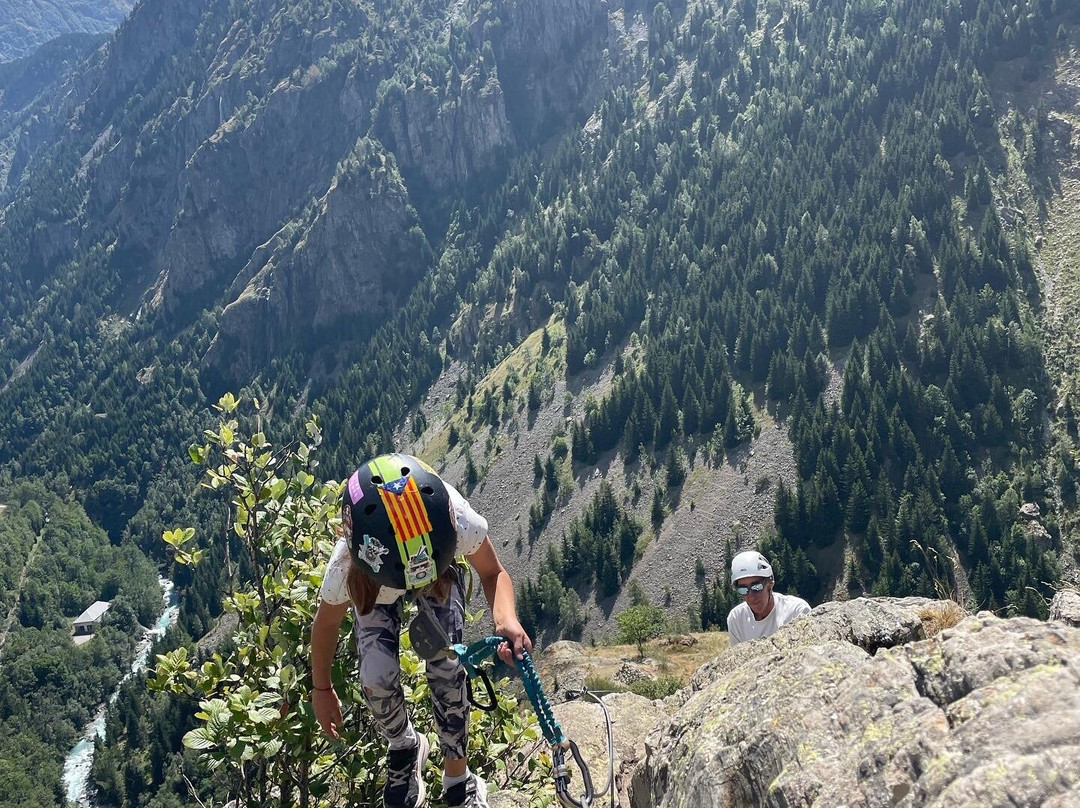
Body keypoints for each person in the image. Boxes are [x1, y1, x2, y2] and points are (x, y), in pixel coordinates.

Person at [310, 453, 532, 808]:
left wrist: (506, 619)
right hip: (383, 579)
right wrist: (321, 688)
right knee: (376, 676)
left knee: (447, 667)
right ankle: (405, 746)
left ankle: (458, 778)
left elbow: (494, 573)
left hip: (435, 569)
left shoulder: (455, 519)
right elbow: (326, 624)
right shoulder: (348, 566)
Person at [726, 550, 811, 645]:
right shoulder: (736, 619)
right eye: (743, 589)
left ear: (770, 583)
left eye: (756, 587)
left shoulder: (796, 611)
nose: (751, 596)